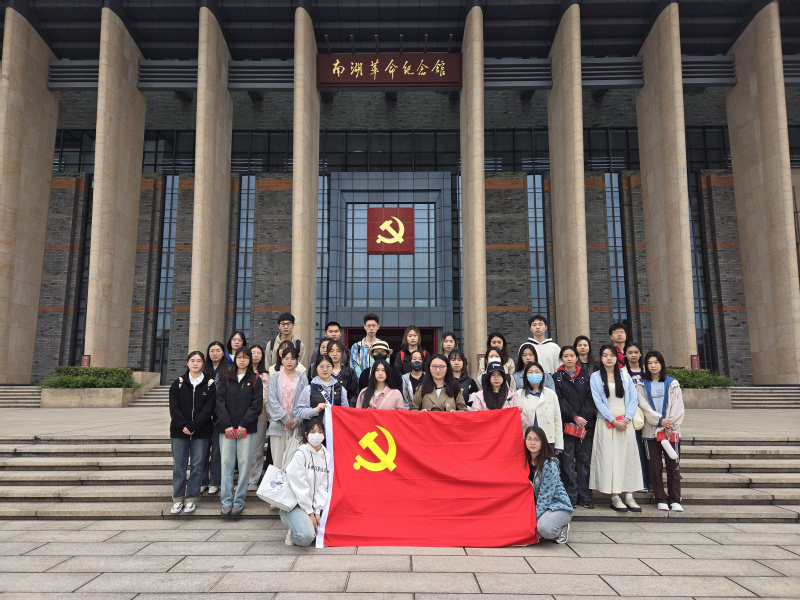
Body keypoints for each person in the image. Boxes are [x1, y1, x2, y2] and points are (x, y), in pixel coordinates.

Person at [589, 345, 644, 512]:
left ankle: (629, 496)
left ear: (616, 358)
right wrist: (613, 421)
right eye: (605, 355)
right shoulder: (595, 377)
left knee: (628, 458)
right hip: (606, 421)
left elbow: (633, 399)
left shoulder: (624, 375)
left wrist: (626, 419)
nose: (609, 358)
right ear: (600, 358)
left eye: (612, 355)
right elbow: (598, 402)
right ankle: (614, 496)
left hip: (625, 421)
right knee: (610, 458)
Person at [216, 346, 263, 516]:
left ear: (250, 360)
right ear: (235, 359)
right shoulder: (226, 378)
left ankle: (239, 500)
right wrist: (227, 425)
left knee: (244, 465)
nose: (242, 360)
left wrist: (244, 424)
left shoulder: (255, 379)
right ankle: (226, 501)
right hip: (227, 429)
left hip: (247, 429)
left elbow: (256, 405)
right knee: (226, 465)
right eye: (239, 357)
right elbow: (219, 402)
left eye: (246, 357)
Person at [637, 350, 685, 512]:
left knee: (673, 466)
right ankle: (661, 498)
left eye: (656, 362)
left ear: (662, 364)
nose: (653, 366)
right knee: (655, 467)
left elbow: (679, 407)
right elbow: (644, 407)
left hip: (671, 432)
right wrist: (660, 421)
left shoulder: (673, 384)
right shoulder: (641, 385)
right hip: (650, 433)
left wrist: (669, 424)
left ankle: (675, 499)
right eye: (650, 363)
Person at [169, 350, 215, 515]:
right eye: (192, 360)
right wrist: (184, 425)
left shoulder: (210, 384)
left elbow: (208, 409)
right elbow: (174, 408)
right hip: (179, 431)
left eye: (199, 361)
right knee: (179, 466)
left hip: (201, 431)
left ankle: (191, 499)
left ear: (203, 364)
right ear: (187, 363)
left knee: (197, 466)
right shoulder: (178, 383)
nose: (195, 363)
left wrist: (194, 426)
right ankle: (178, 498)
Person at [553, 345, 596, 508]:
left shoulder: (585, 377)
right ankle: (570, 496)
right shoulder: (556, 377)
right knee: (567, 462)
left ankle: (585, 496)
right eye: (565, 356)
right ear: (561, 359)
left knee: (584, 462)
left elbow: (591, 399)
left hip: (585, 426)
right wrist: (574, 417)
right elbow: (559, 400)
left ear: (577, 358)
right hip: (566, 426)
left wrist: (582, 417)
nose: (569, 358)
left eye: (572, 355)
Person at [282, 417, 330, 547]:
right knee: (306, 538)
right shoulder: (301, 453)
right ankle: (293, 531)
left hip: (313, 505)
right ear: (306, 434)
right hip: (295, 504)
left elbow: (323, 485)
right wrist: (310, 512)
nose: (317, 435)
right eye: (313, 432)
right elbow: (299, 485)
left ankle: (302, 525)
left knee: (321, 535)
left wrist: (317, 511)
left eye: (320, 431)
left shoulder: (326, 455)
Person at [525, 426, 573, 543]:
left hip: (557, 506)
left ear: (543, 442)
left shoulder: (549, 464)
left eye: (536, 439)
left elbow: (545, 497)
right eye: (529, 439)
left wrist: (535, 522)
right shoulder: (523, 461)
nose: (532, 442)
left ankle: (561, 529)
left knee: (545, 529)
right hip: (534, 506)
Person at [267, 346, 308, 472]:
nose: (289, 361)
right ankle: (278, 485)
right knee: (278, 463)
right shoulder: (275, 377)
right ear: (282, 360)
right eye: (286, 358)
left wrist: (297, 420)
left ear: (297, 360)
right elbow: (272, 400)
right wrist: (285, 418)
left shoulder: (302, 378)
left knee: (294, 464)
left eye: (292, 358)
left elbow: (306, 401)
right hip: (278, 425)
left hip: (296, 427)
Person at [624, 341, 650, 492]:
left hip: (648, 414)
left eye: (636, 352)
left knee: (648, 450)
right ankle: (641, 481)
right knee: (637, 449)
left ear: (640, 354)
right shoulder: (622, 372)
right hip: (631, 414)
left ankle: (650, 482)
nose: (633, 355)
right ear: (625, 355)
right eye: (630, 352)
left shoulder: (647, 370)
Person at [294, 355, 349, 427]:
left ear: (332, 367)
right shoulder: (308, 389)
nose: (325, 369)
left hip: (334, 429)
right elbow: (298, 412)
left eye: (328, 366)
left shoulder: (341, 389)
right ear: (316, 368)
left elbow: (345, 412)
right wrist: (315, 410)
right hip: (314, 430)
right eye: (321, 366)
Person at [202, 341, 228, 495]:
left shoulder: (228, 371)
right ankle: (202, 481)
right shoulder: (203, 370)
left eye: (218, 350)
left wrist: (220, 414)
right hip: (203, 417)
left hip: (220, 417)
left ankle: (215, 481)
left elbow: (227, 396)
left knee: (217, 451)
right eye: (212, 350)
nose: (214, 353)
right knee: (203, 451)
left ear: (223, 353)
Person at [517, 362, 561, 448]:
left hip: (547, 440)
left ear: (542, 375)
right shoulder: (519, 394)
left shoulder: (551, 394)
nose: (534, 374)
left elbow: (557, 420)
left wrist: (558, 446)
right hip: (526, 440)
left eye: (537, 372)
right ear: (526, 375)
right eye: (530, 372)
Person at [471, 359, 527, 426]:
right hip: (487, 431)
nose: (496, 378)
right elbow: (474, 419)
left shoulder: (511, 396)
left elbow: (523, 423)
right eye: (493, 375)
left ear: (503, 377)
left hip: (506, 431)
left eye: (499, 375)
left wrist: (520, 413)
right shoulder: (480, 397)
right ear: (488, 377)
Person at [246, 345, 270, 492]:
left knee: (258, 447)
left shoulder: (266, 375)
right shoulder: (243, 372)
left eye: (258, 353)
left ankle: (253, 479)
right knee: (244, 448)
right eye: (252, 353)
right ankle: (243, 478)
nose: (255, 355)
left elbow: (267, 394)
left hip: (260, 415)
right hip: (242, 416)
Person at [351, 312, 382, 378]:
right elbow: (354, 366)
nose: (371, 328)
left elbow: (385, 365)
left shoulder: (383, 346)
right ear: (364, 327)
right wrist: (363, 379)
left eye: (373, 325)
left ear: (378, 327)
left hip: (378, 381)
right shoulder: (356, 347)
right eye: (368, 325)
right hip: (360, 381)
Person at [328, 340, 359, 404]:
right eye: (331, 351)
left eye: (338, 351)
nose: (335, 354)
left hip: (345, 408)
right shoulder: (324, 372)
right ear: (327, 353)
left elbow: (354, 394)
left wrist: (348, 408)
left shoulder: (350, 372)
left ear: (342, 353)